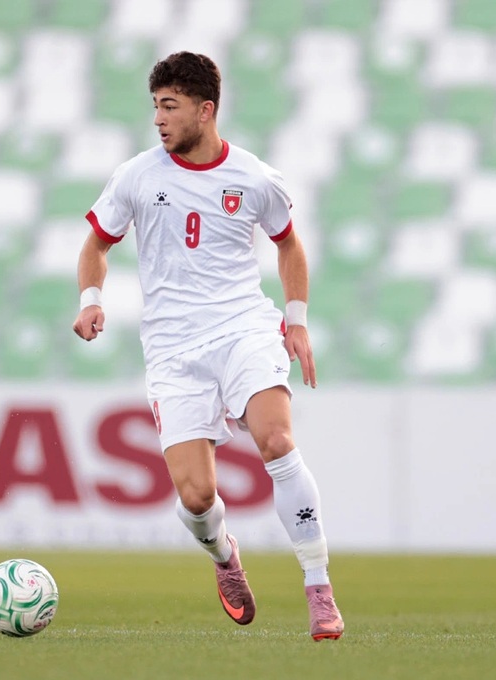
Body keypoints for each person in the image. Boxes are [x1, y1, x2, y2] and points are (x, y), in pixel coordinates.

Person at [72, 52, 344, 640]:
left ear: (206, 109)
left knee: (276, 439)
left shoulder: (254, 178)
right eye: (154, 107)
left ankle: (318, 587)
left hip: (244, 327)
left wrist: (295, 320)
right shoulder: (137, 176)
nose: (159, 120)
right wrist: (91, 297)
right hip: (173, 349)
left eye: (169, 107)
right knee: (197, 497)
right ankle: (225, 557)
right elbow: (95, 245)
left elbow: (290, 247)